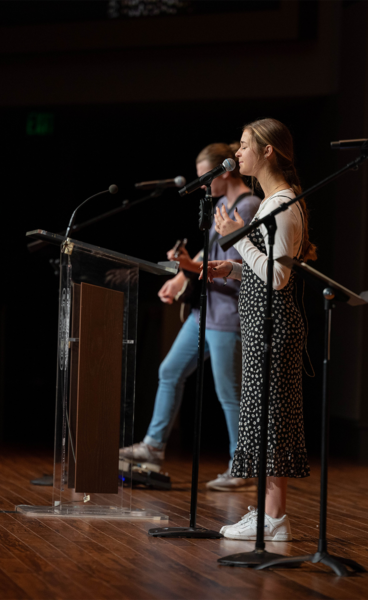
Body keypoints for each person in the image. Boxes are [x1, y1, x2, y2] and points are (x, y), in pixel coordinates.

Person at [119, 143, 262, 492]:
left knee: (229, 393)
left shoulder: (250, 206)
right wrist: (180, 274)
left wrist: (188, 266)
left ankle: (241, 464)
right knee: (169, 371)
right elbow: (206, 253)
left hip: (228, 315)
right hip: (204, 312)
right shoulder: (221, 206)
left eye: (205, 177)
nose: (202, 184)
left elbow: (245, 264)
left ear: (225, 171)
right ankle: (153, 447)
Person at [205, 118, 316, 541]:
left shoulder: (283, 203)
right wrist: (231, 267)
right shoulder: (272, 202)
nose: (240, 151)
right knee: (262, 419)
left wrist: (237, 238)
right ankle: (270, 514)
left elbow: (277, 278)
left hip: (274, 325)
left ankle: (274, 518)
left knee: (270, 420)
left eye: (247, 144)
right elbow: (261, 268)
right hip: (259, 325)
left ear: (269, 151)